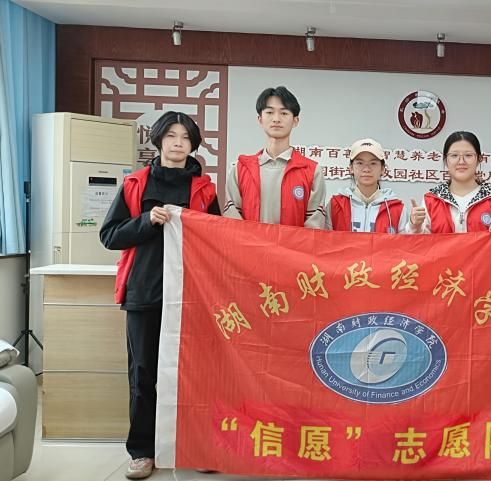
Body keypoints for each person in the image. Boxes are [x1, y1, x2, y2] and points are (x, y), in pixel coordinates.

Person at [100, 111, 220, 480]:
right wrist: (146, 220)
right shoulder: (135, 184)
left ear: (193, 144)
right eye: (171, 135)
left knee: (193, 374)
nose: (178, 143)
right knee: (143, 374)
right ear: (158, 140)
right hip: (144, 291)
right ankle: (142, 451)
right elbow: (109, 235)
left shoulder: (205, 189)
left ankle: (193, 446)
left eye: (185, 137)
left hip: (191, 295)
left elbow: (219, 240)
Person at [223, 86, 326, 227]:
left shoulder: (312, 171)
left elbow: (314, 227)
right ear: (260, 119)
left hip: (294, 243)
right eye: (270, 112)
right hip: (249, 242)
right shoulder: (240, 169)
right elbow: (232, 222)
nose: (276, 119)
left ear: (295, 121)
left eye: (284, 113)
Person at [407, 131, 491, 233]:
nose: (461, 161)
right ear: (446, 160)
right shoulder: (431, 201)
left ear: (479, 159)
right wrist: (415, 226)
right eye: (454, 155)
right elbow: (421, 242)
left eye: (468, 155)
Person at [325, 138, 408, 233]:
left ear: (382, 169)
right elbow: (324, 240)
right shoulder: (336, 205)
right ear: (351, 168)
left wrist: (414, 227)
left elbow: (405, 241)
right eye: (360, 163)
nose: (366, 169)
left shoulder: (397, 209)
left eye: (373, 163)